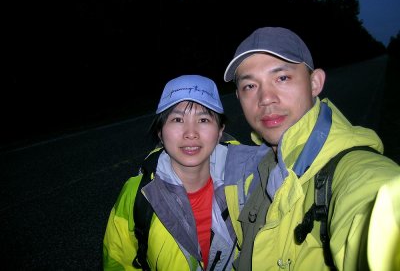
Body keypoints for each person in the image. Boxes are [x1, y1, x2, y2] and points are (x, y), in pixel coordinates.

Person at [221, 27, 400, 270]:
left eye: (281, 78)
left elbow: (373, 201)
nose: (265, 98)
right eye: (250, 86)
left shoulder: (350, 168)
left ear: (315, 83)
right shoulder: (255, 168)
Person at [103, 74, 237, 270]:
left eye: (203, 119)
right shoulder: (137, 193)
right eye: (177, 119)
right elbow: (117, 261)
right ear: (160, 132)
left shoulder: (250, 182)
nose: (190, 133)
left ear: (219, 131)